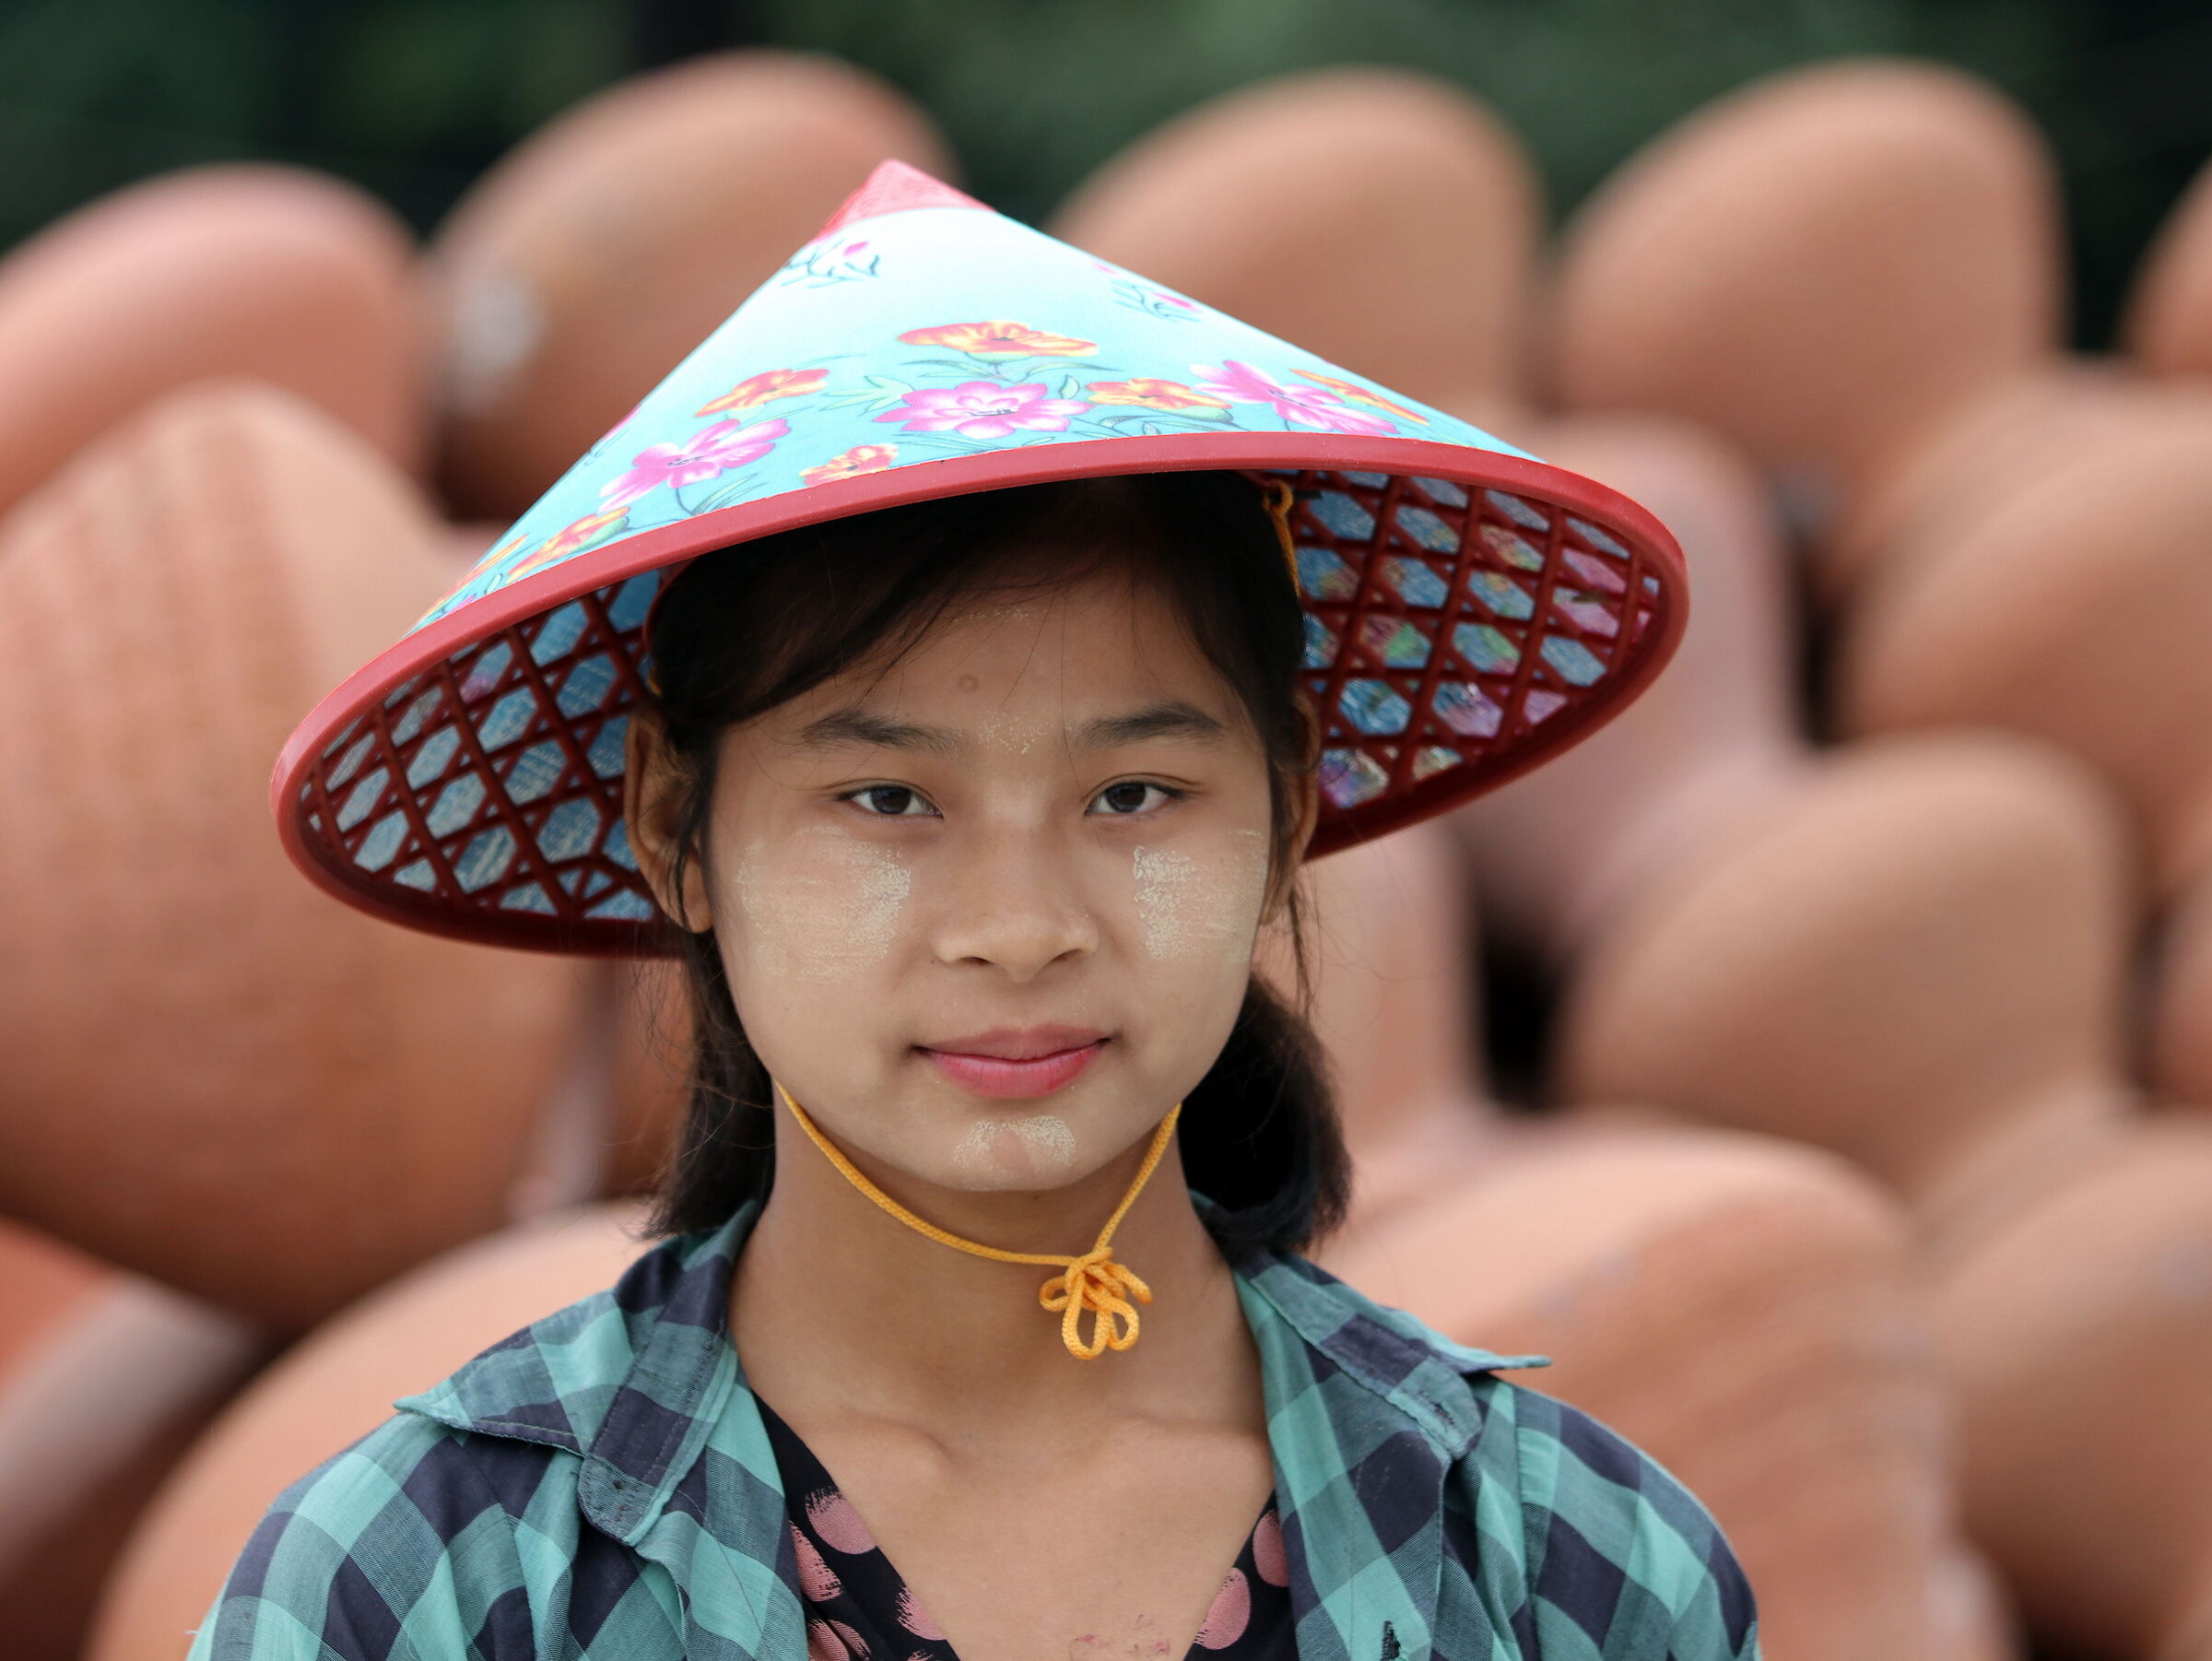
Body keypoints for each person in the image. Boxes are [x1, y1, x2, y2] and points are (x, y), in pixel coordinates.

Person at [207, 160, 1755, 1659]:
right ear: (676, 824)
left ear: (1287, 805)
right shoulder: (425, 1586)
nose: (1019, 928)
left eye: (1134, 794)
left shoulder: (1572, 1570)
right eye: (888, 801)